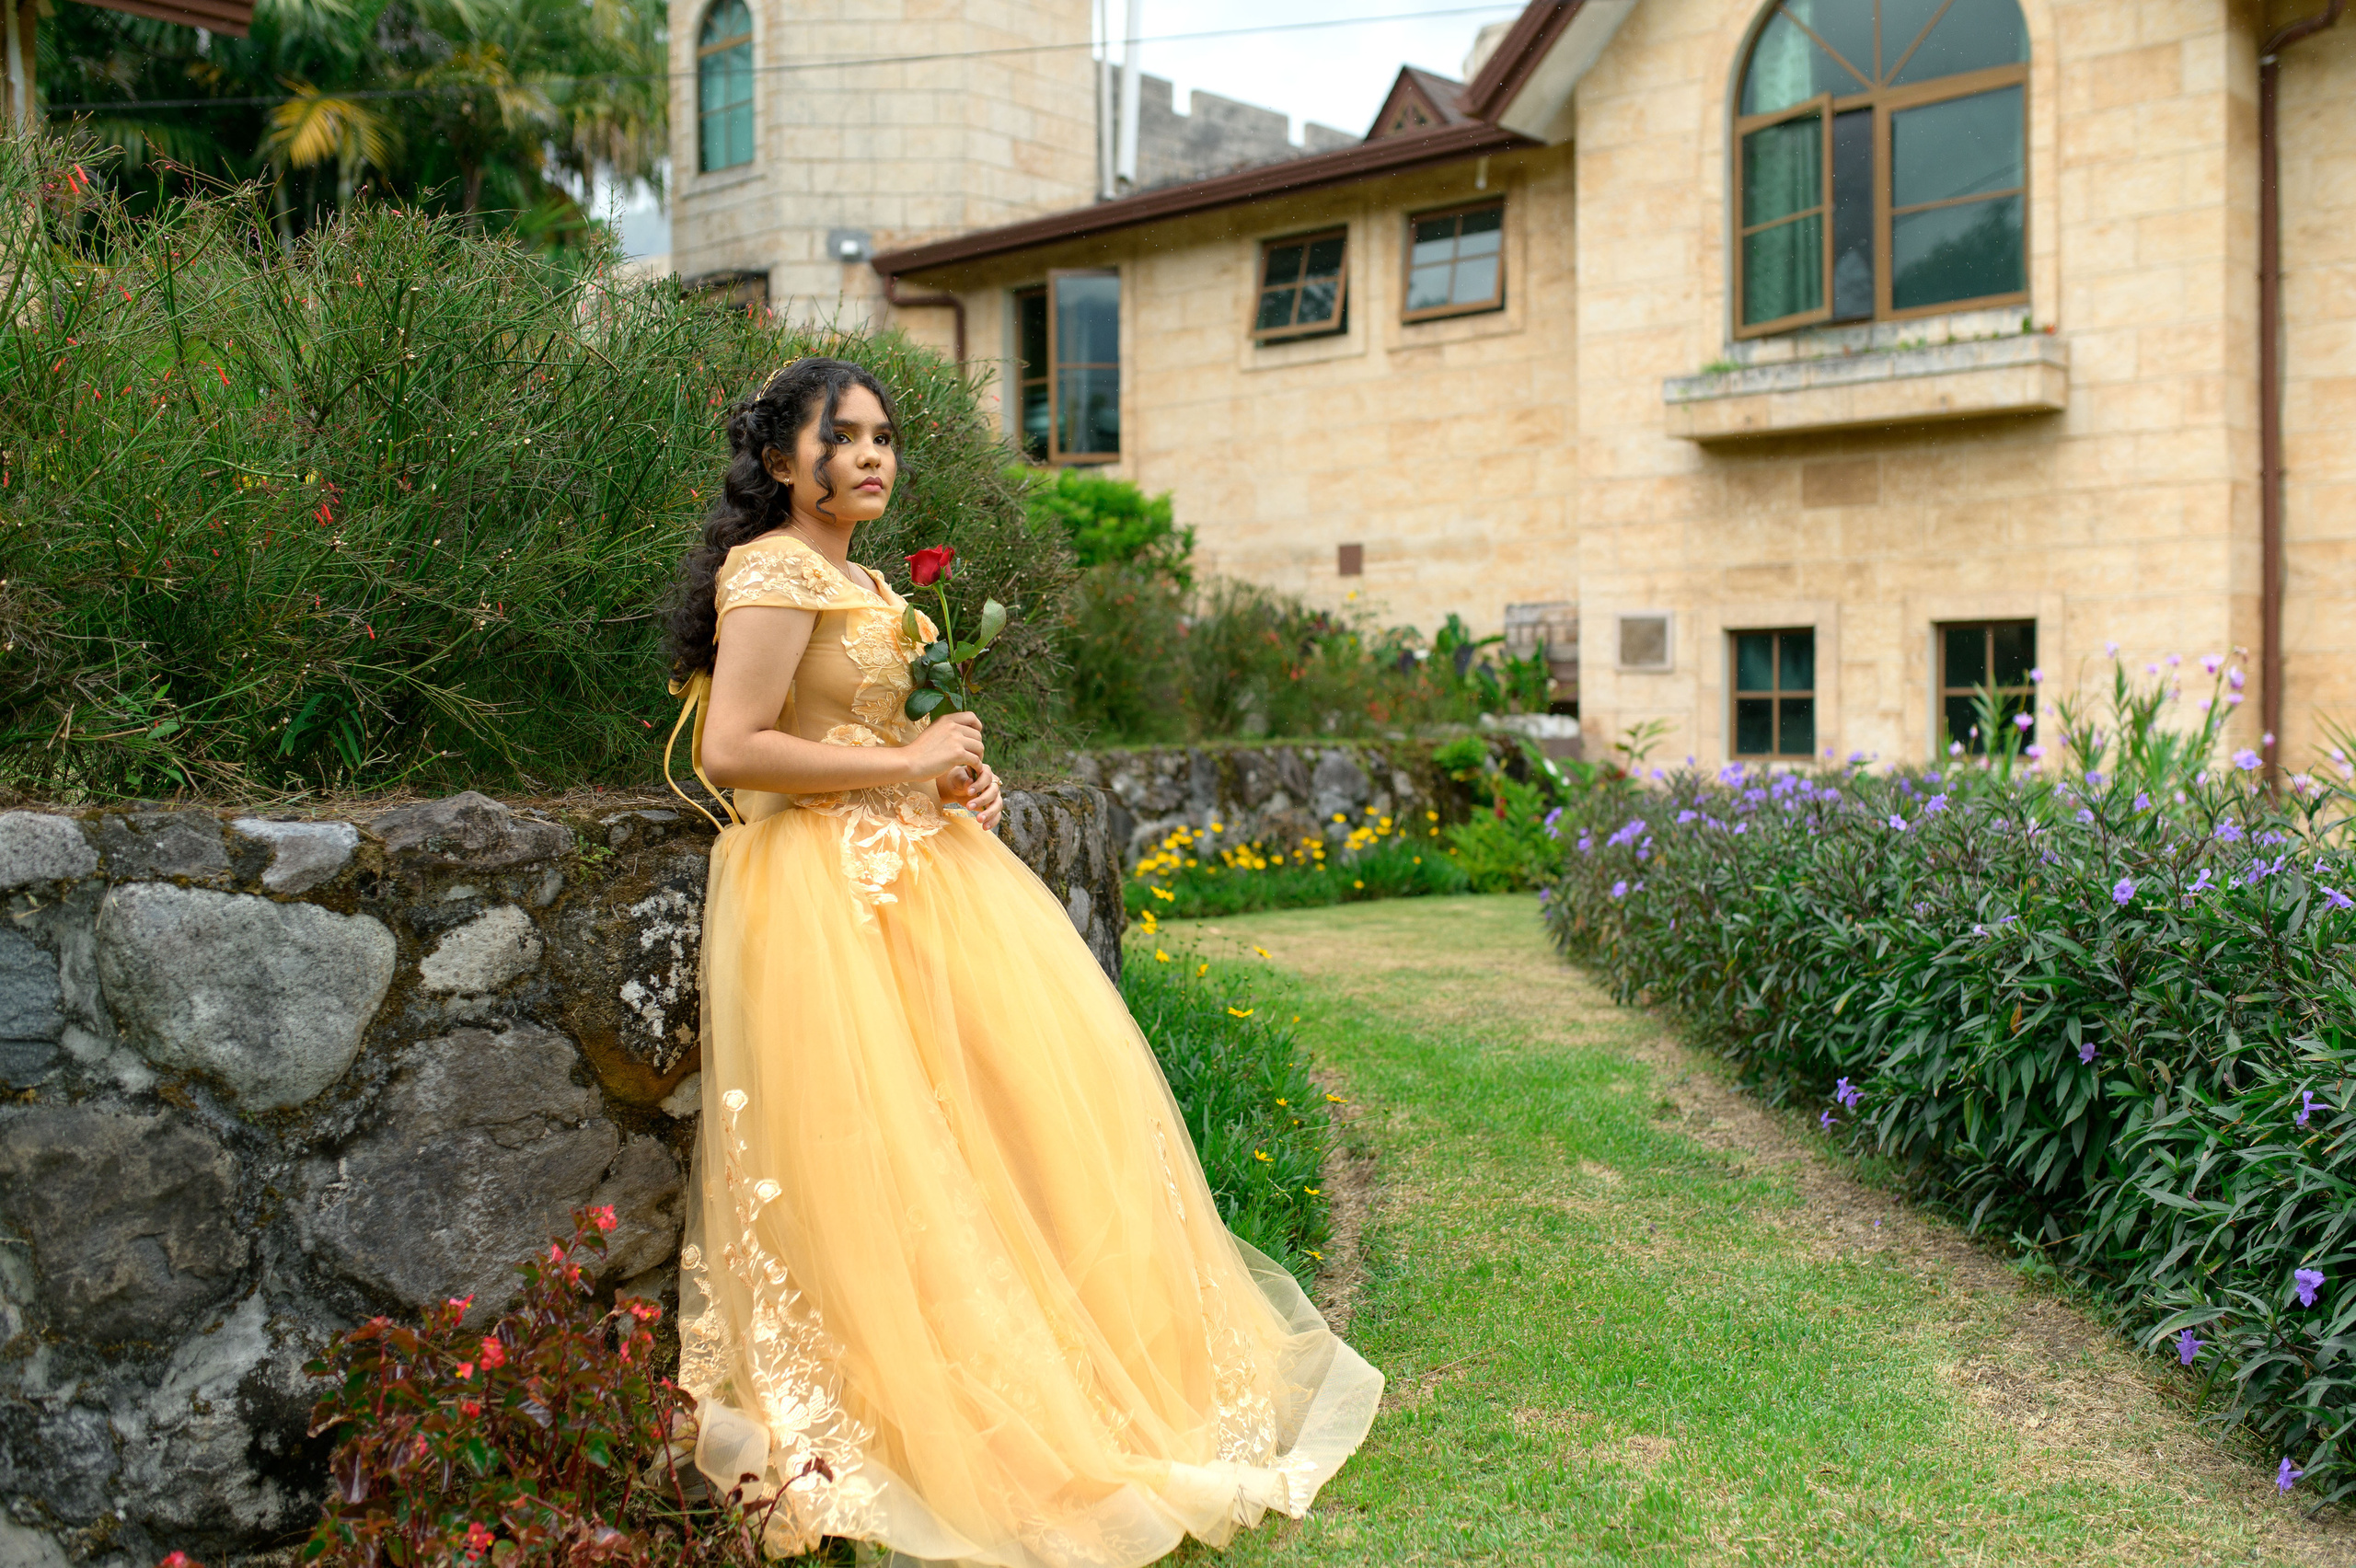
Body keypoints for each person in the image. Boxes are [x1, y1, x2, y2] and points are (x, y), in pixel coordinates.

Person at [661, 358, 1382, 1568]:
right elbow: (737, 749)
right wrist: (902, 764)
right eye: (844, 438)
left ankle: (1039, 1392)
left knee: (993, 1140)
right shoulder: (772, 571)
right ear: (782, 461)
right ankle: (911, 1425)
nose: (875, 455)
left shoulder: (864, 577)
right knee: (879, 1161)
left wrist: (948, 770)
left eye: (885, 437)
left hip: (928, 875)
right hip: (822, 902)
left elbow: (871, 733)